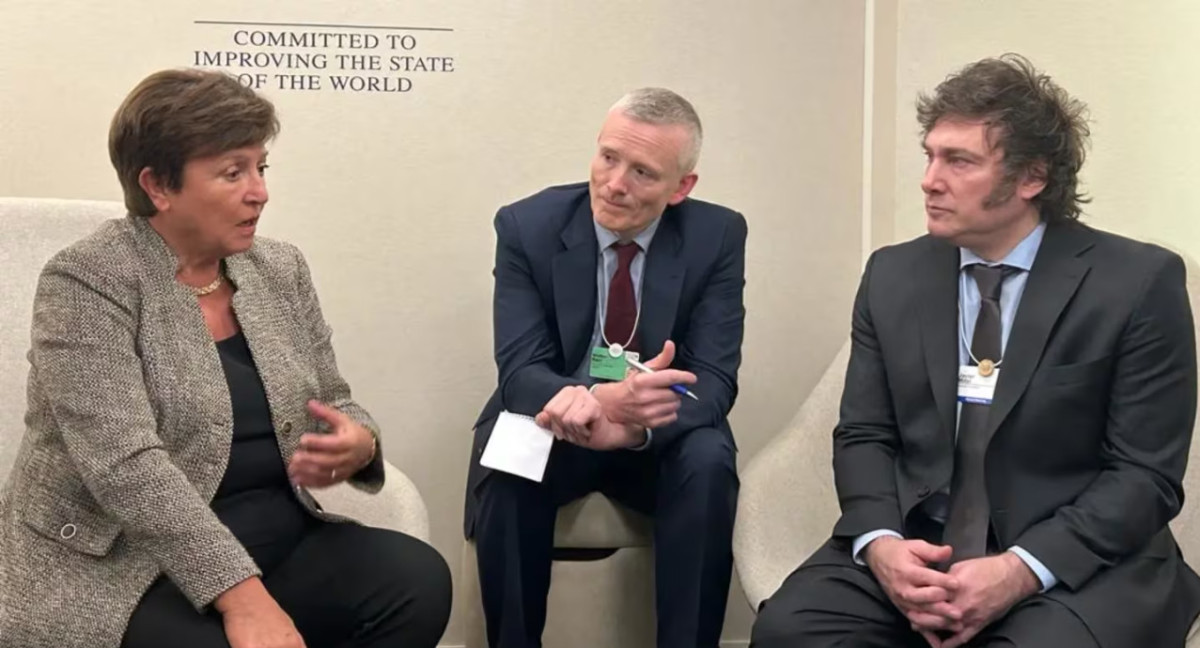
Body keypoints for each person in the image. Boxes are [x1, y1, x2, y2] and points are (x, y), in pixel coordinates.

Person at [751, 54, 1200, 647]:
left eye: (959, 161)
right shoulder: (893, 275)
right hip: (919, 545)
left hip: (1074, 562)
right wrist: (882, 544)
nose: (929, 179)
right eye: (930, 155)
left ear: (1031, 177)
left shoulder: (1137, 283)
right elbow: (863, 434)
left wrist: (1018, 570)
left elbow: (1145, 476)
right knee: (791, 632)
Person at [0, 69, 451, 648]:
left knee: (416, 581)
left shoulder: (279, 269)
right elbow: (124, 464)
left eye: (260, 167)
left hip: (274, 535)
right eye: (232, 172)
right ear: (159, 186)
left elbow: (332, 398)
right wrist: (244, 599)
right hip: (123, 562)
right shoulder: (88, 281)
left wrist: (359, 442)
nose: (259, 190)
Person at [464, 87, 747, 648]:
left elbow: (714, 382)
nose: (615, 183)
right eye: (608, 157)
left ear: (681, 187)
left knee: (711, 460)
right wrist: (596, 401)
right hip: (560, 417)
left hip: (657, 431)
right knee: (507, 460)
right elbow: (520, 370)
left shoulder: (717, 235)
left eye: (643, 171)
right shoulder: (527, 226)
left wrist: (638, 421)